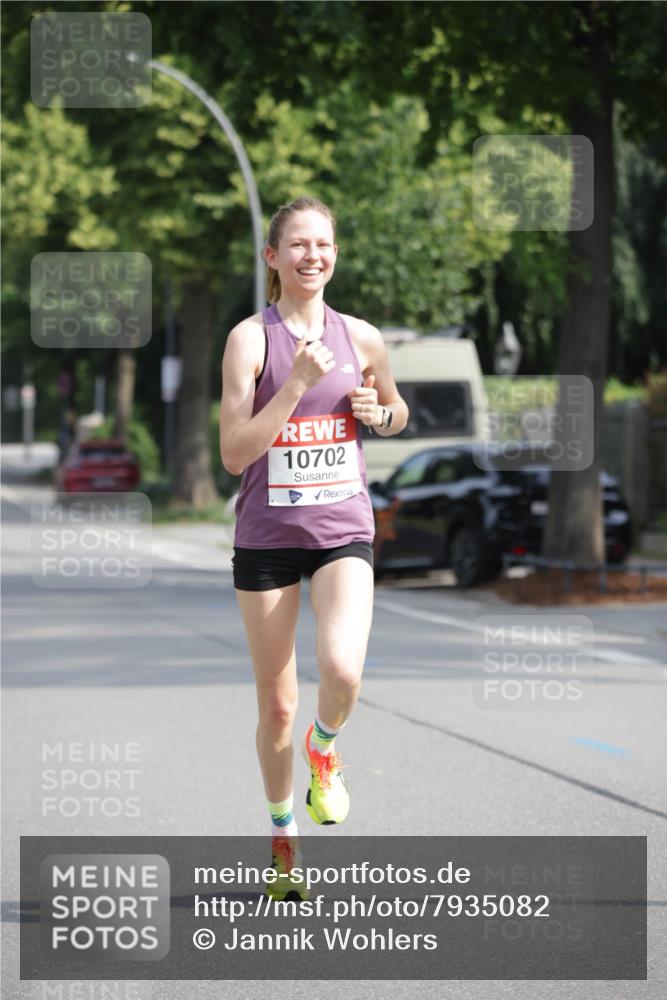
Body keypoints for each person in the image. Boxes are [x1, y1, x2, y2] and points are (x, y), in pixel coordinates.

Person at [219, 196, 408, 897]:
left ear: (334, 253)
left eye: (322, 244)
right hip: (266, 539)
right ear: (272, 257)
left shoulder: (361, 338)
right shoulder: (251, 341)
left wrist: (378, 413)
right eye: (297, 245)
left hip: (341, 532)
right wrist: (294, 384)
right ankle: (281, 837)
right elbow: (235, 453)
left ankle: (323, 753)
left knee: (342, 670)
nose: (312, 256)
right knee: (275, 707)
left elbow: (394, 411)